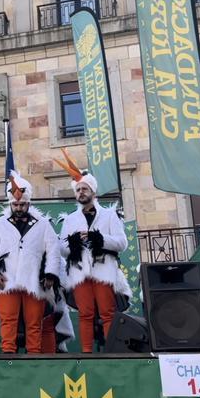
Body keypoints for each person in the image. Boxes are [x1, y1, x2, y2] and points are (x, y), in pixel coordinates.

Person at [55, 150, 131, 353]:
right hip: (80, 272)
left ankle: (111, 352)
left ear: (93, 192)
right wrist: (73, 242)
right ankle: (87, 353)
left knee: (107, 312)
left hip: (104, 270)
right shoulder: (70, 219)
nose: (81, 192)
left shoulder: (109, 215)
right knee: (85, 314)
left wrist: (100, 239)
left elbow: (122, 243)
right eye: (78, 189)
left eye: (84, 188)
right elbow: (61, 248)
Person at [0, 171, 61, 354]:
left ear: (29, 203)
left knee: (34, 323)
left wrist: (50, 275)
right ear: (10, 203)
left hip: (34, 281)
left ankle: (34, 357)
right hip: (7, 280)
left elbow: (53, 251)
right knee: (8, 321)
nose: (18, 207)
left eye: (22, 204)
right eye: (15, 204)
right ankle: (8, 356)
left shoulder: (43, 224)